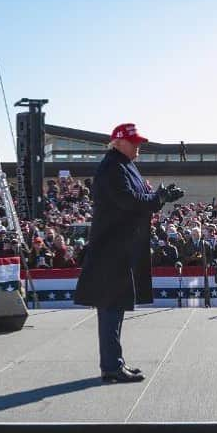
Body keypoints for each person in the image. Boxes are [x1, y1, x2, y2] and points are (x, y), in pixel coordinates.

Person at [74, 123, 183, 383]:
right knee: (111, 307)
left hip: (119, 247)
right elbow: (130, 201)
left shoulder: (123, 165)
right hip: (111, 249)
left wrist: (160, 195)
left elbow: (140, 196)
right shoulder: (113, 167)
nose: (138, 146)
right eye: (134, 142)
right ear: (118, 142)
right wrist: (161, 198)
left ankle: (114, 363)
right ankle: (111, 367)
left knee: (116, 306)